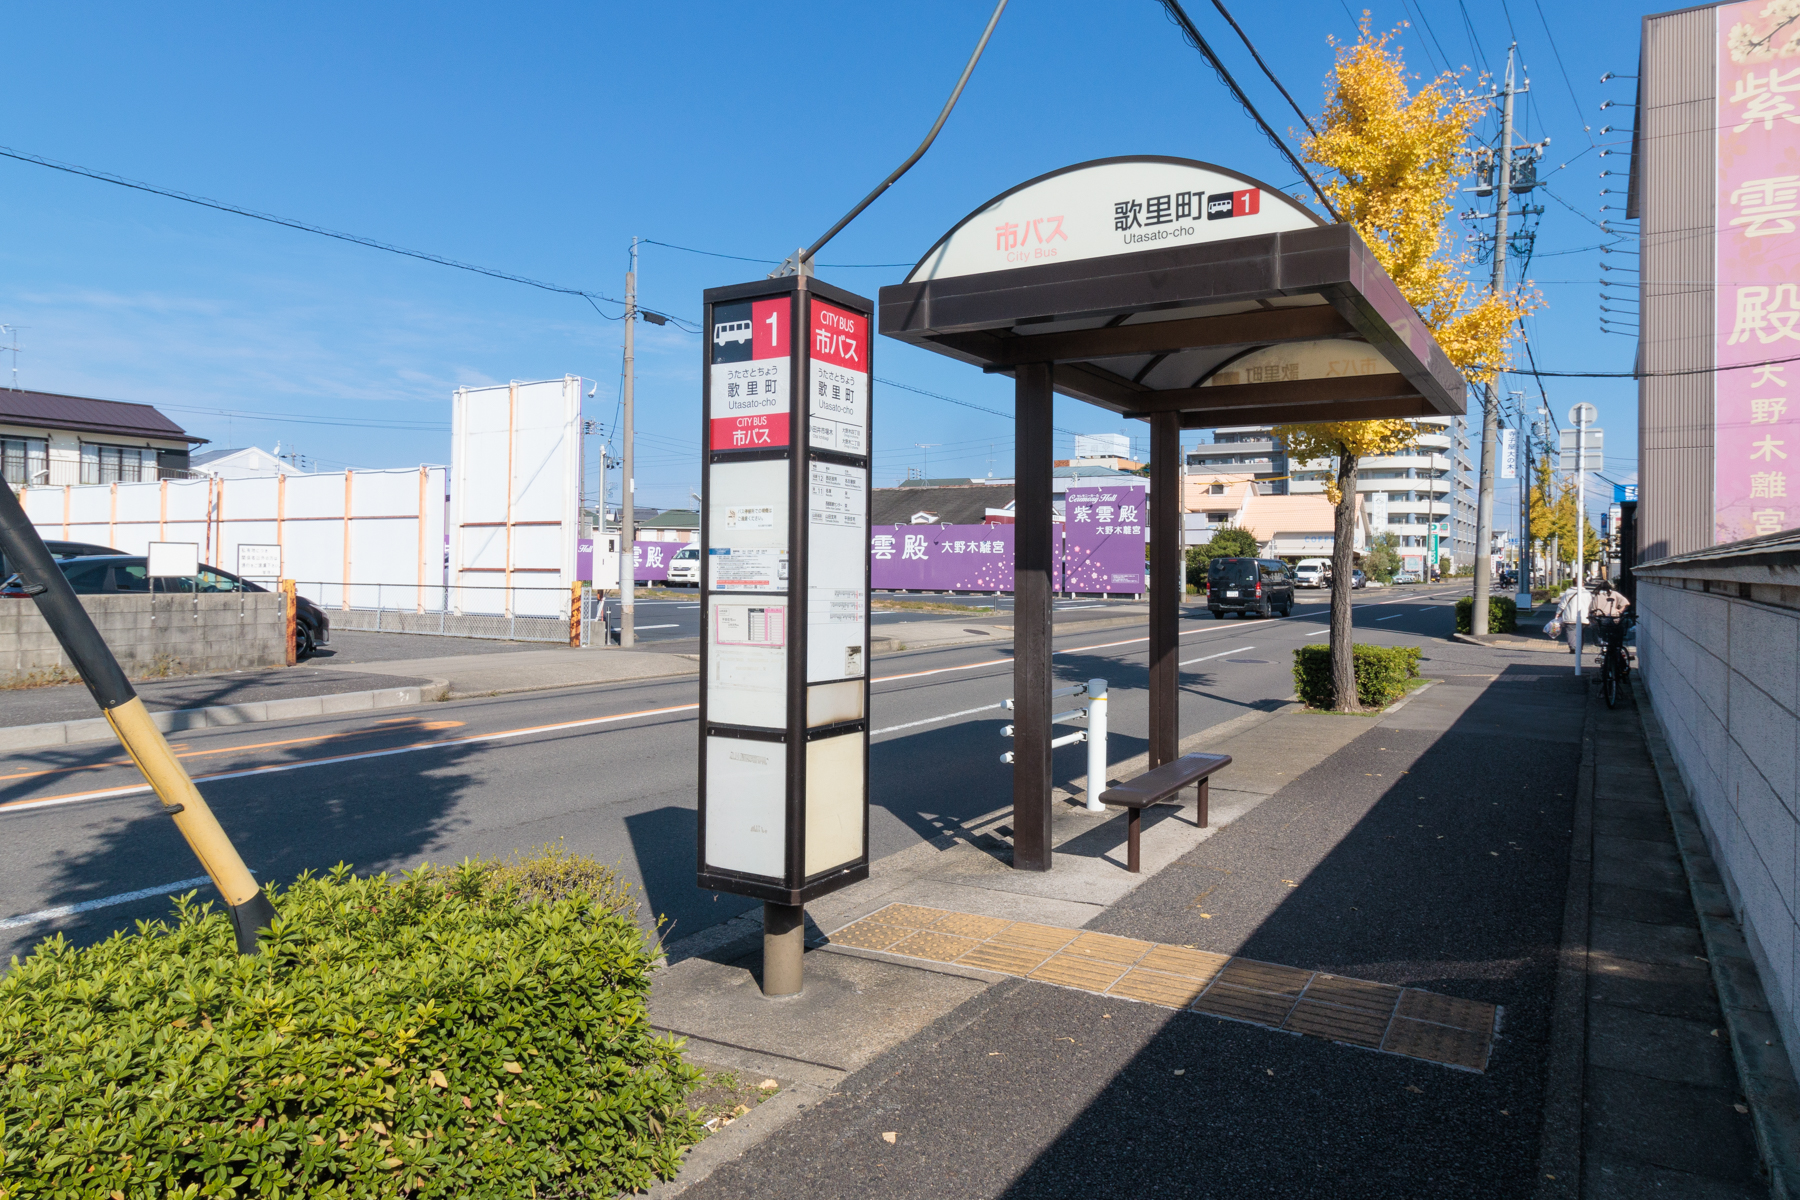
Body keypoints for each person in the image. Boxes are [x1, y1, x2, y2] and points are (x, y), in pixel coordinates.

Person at [1555, 581, 1592, 655]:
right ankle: (1580, 648)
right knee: (1581, 632)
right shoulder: (1587, 593)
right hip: (1583, 617)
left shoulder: (1568, 592)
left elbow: (1562, 604)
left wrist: (1558, 613)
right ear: (1583, 584)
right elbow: (1591, 605)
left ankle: (1573, 647)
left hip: (1570, 616)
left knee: (1570, 632)